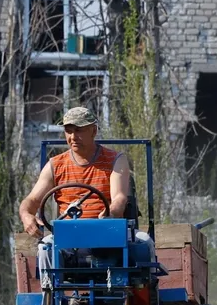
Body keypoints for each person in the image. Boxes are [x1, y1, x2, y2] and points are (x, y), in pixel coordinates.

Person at [19, 106, 154, 289]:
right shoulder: (55, 165)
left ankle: (146, 299)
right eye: (69, 131)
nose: (73, 137)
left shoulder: (115, 160)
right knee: (45, 248)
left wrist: (110, 214)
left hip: (107, 232)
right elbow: (31, 201)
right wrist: (26, 215)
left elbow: (119, 198)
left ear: (94, 131)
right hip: (69, 237)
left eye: (80, 130)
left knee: (145, 242)